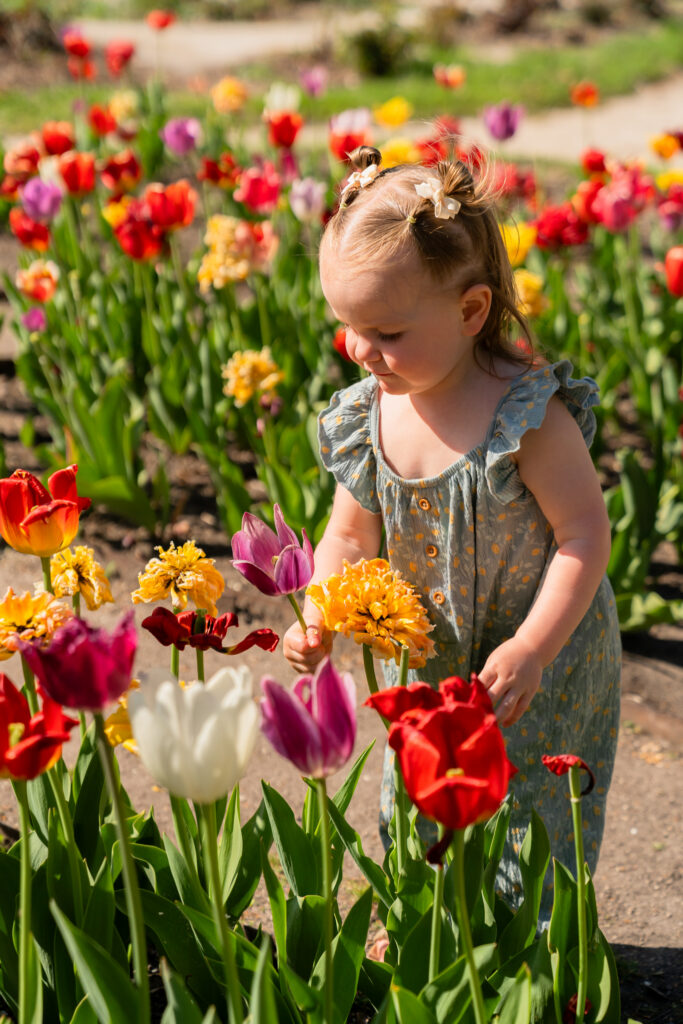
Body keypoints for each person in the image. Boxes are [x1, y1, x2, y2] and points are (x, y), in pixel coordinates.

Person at [283, 145, 621, 913]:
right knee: (418, 799)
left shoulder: (527, 418)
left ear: (471, 311)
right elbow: (346, 538)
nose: (364, 351)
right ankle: (421, 930)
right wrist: (319, 610)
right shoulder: (370, 414)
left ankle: (533, 955)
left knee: (535, 814)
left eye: (389, 332)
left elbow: (583, 537)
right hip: (428, 658)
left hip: (538, 663)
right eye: (348, 329)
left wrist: (532, 648)